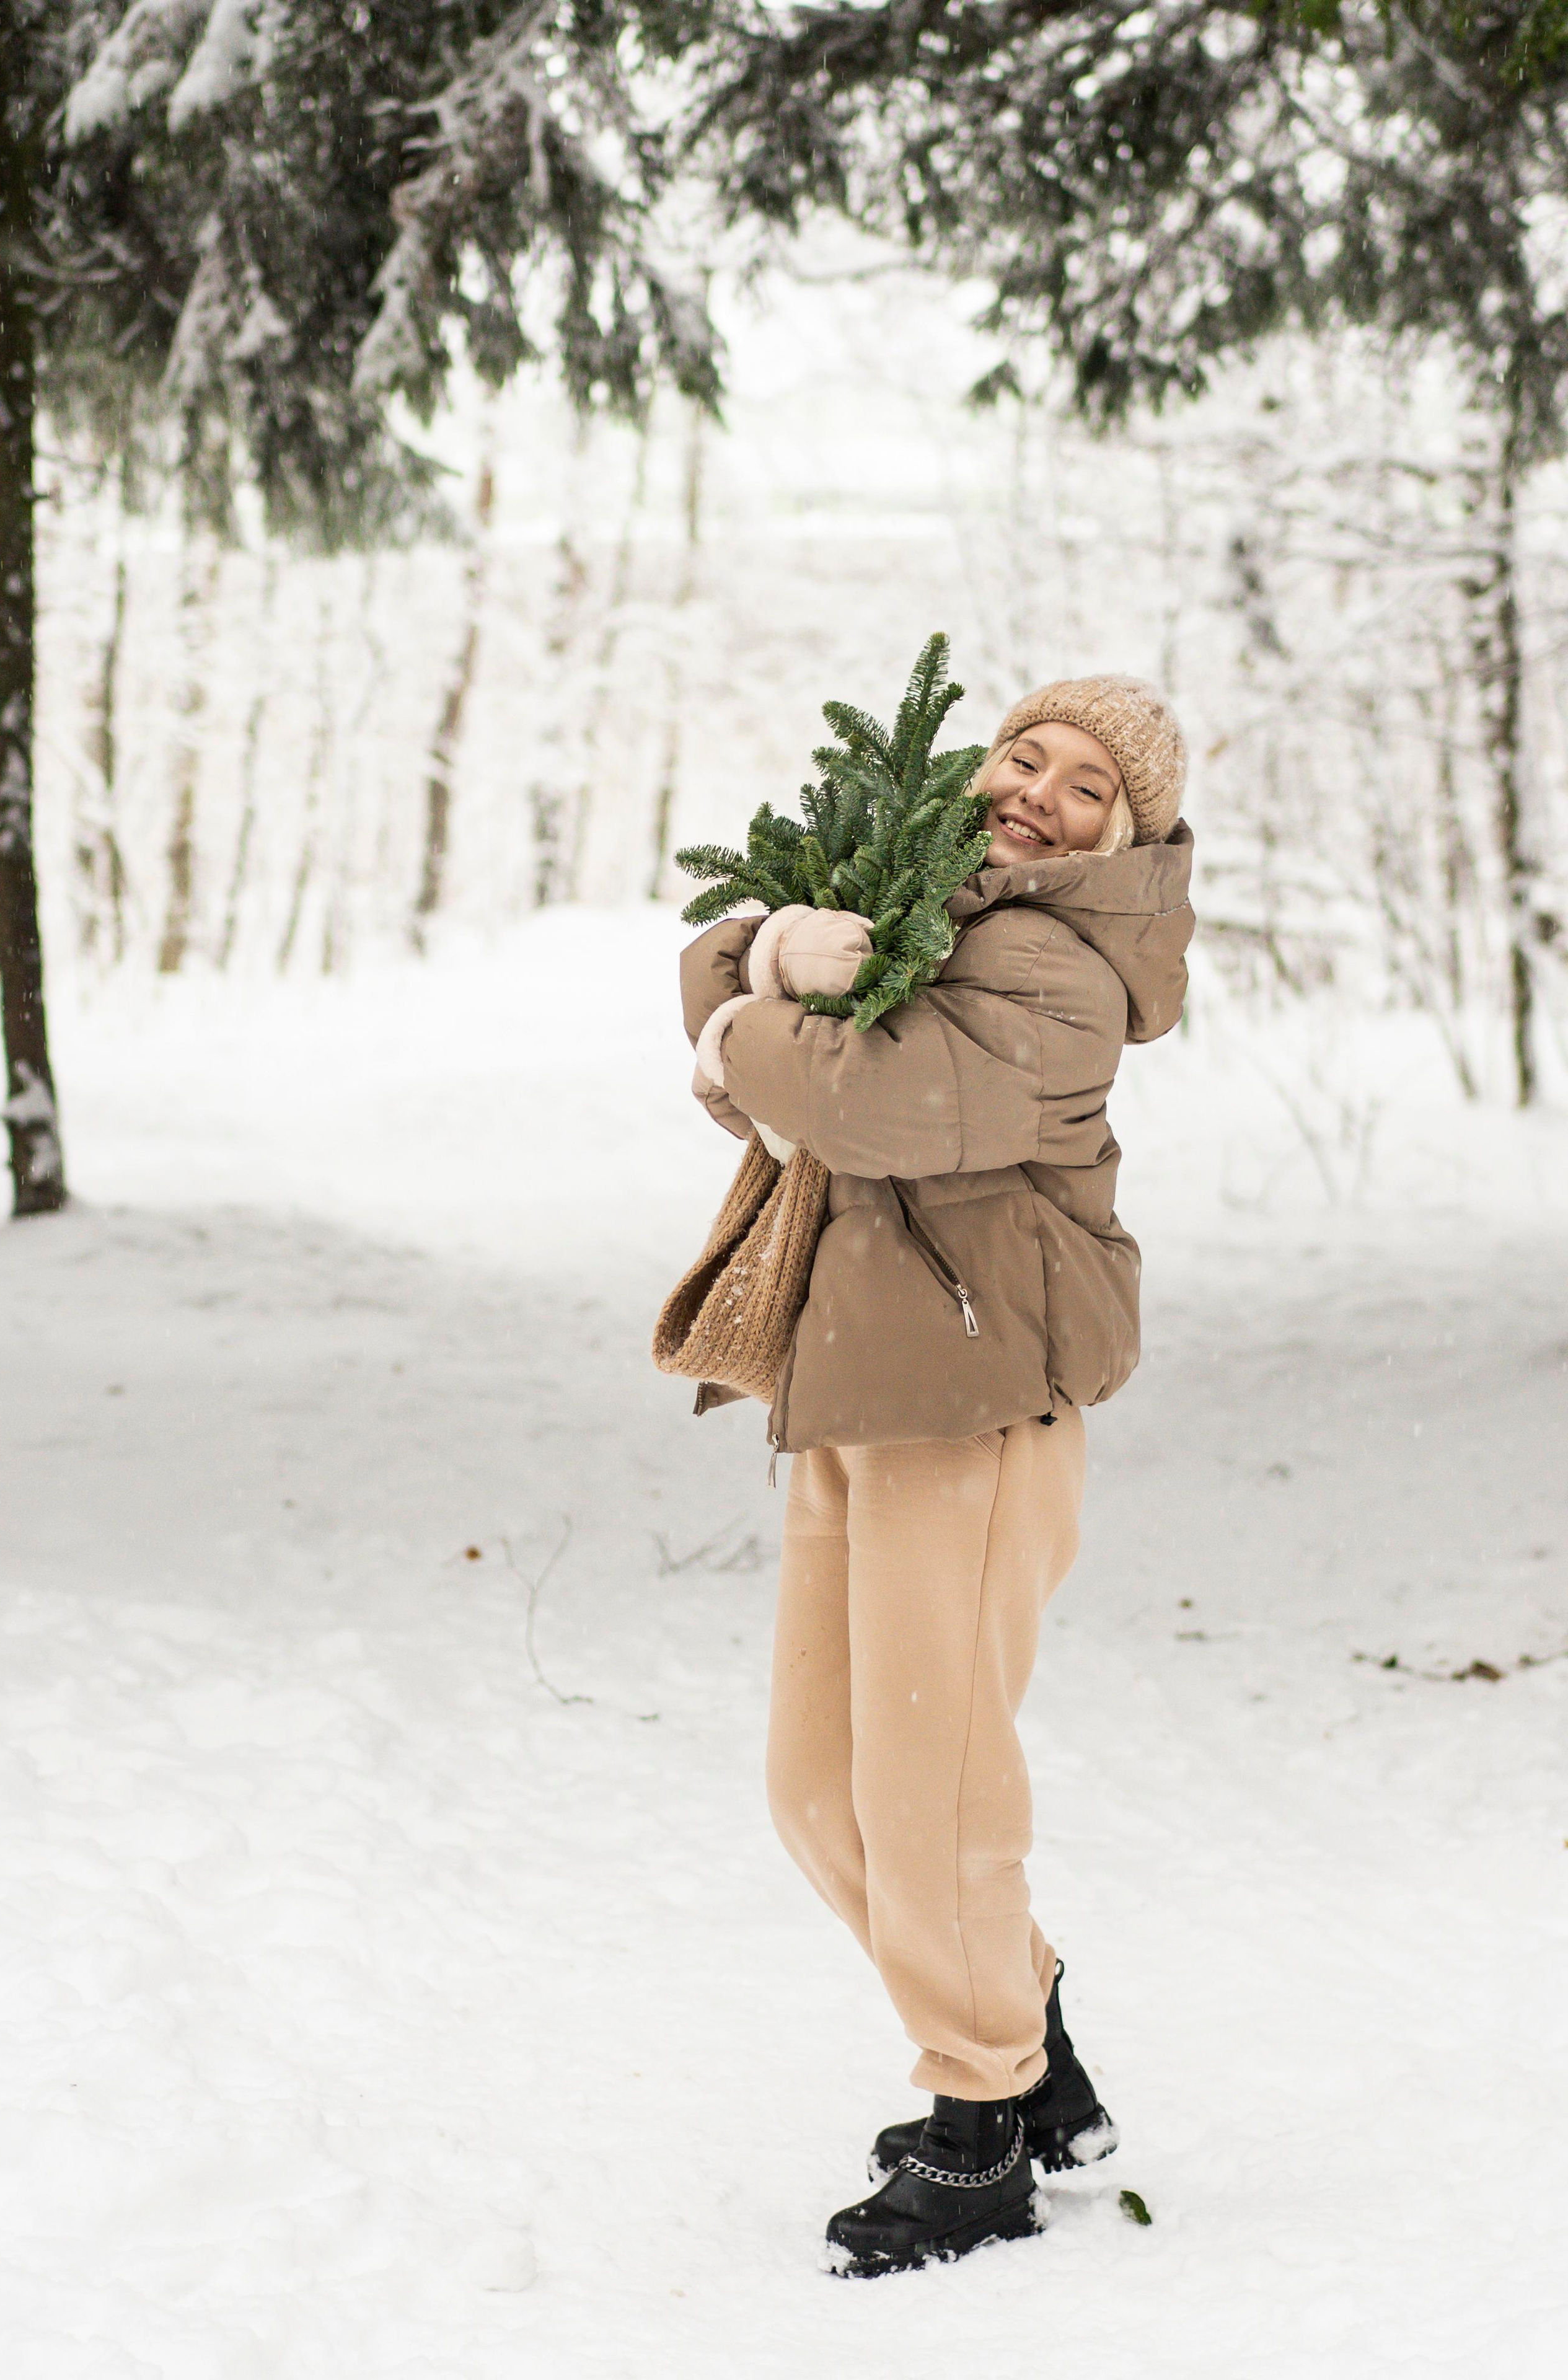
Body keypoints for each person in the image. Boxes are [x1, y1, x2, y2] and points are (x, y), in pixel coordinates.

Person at [679, 676, 1196, 2277]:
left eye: (1090, 787)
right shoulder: (925, 900)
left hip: (977, 1408)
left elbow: (874, 1099)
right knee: (818, 1792)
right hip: (863, 1392)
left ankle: (978, 2136)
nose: (1042, 791)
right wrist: (766, 954)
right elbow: (727, 962)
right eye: (1026, 755)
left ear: (1133, 833)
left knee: (932, 1790)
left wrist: (752, 1006)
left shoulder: (1064, 968)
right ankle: (1021, 2020)